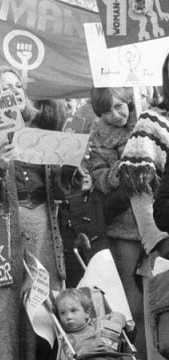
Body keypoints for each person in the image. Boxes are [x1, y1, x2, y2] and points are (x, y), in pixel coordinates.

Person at [0, 65, 64, 360]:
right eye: (5, 88)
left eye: (17, 87)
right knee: (2, 305)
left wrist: (73, 173)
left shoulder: (42, 132)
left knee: (41, 299)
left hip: (42, 225)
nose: (13, 92)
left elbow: (58, 191)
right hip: (3, 225)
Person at [85, 87, 145, 358]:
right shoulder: (97, 136)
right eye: (108, 110)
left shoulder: (148, 120)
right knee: (133, 295)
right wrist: (122, 168)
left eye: (120, 106)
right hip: (124, 224)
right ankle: (139, 351)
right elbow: (99, 179)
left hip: (157, 219)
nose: (116, 114)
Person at [119, 53, 169, 360]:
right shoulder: (152, 122)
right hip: (165, 253)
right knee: (164, 343)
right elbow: (139, 188)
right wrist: (160, 242)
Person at [55, 288, 127, 360]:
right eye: (62, 313)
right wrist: (85, 351)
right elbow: (67, 358)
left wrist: (115, 323)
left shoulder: (95, 323)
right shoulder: (66, 338)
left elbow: (119, 315)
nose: (68, 317)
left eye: (73, 311)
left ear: (87, 313)